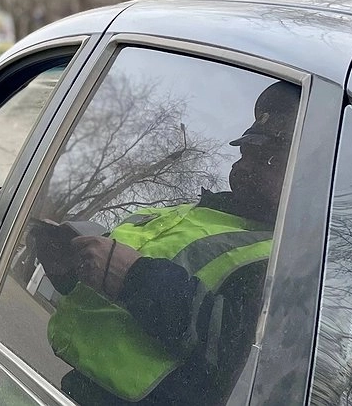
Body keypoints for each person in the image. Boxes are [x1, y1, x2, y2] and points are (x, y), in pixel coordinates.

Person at [32, 80, 300, 406]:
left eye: (268, 156)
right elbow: (114, 292)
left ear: (302, 175)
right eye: (246, 151)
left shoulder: (282, 262)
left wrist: (135, 277)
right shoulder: (186, 213)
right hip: (67, 388)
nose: (242, 165)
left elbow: (237, 352)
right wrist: (72, 268)